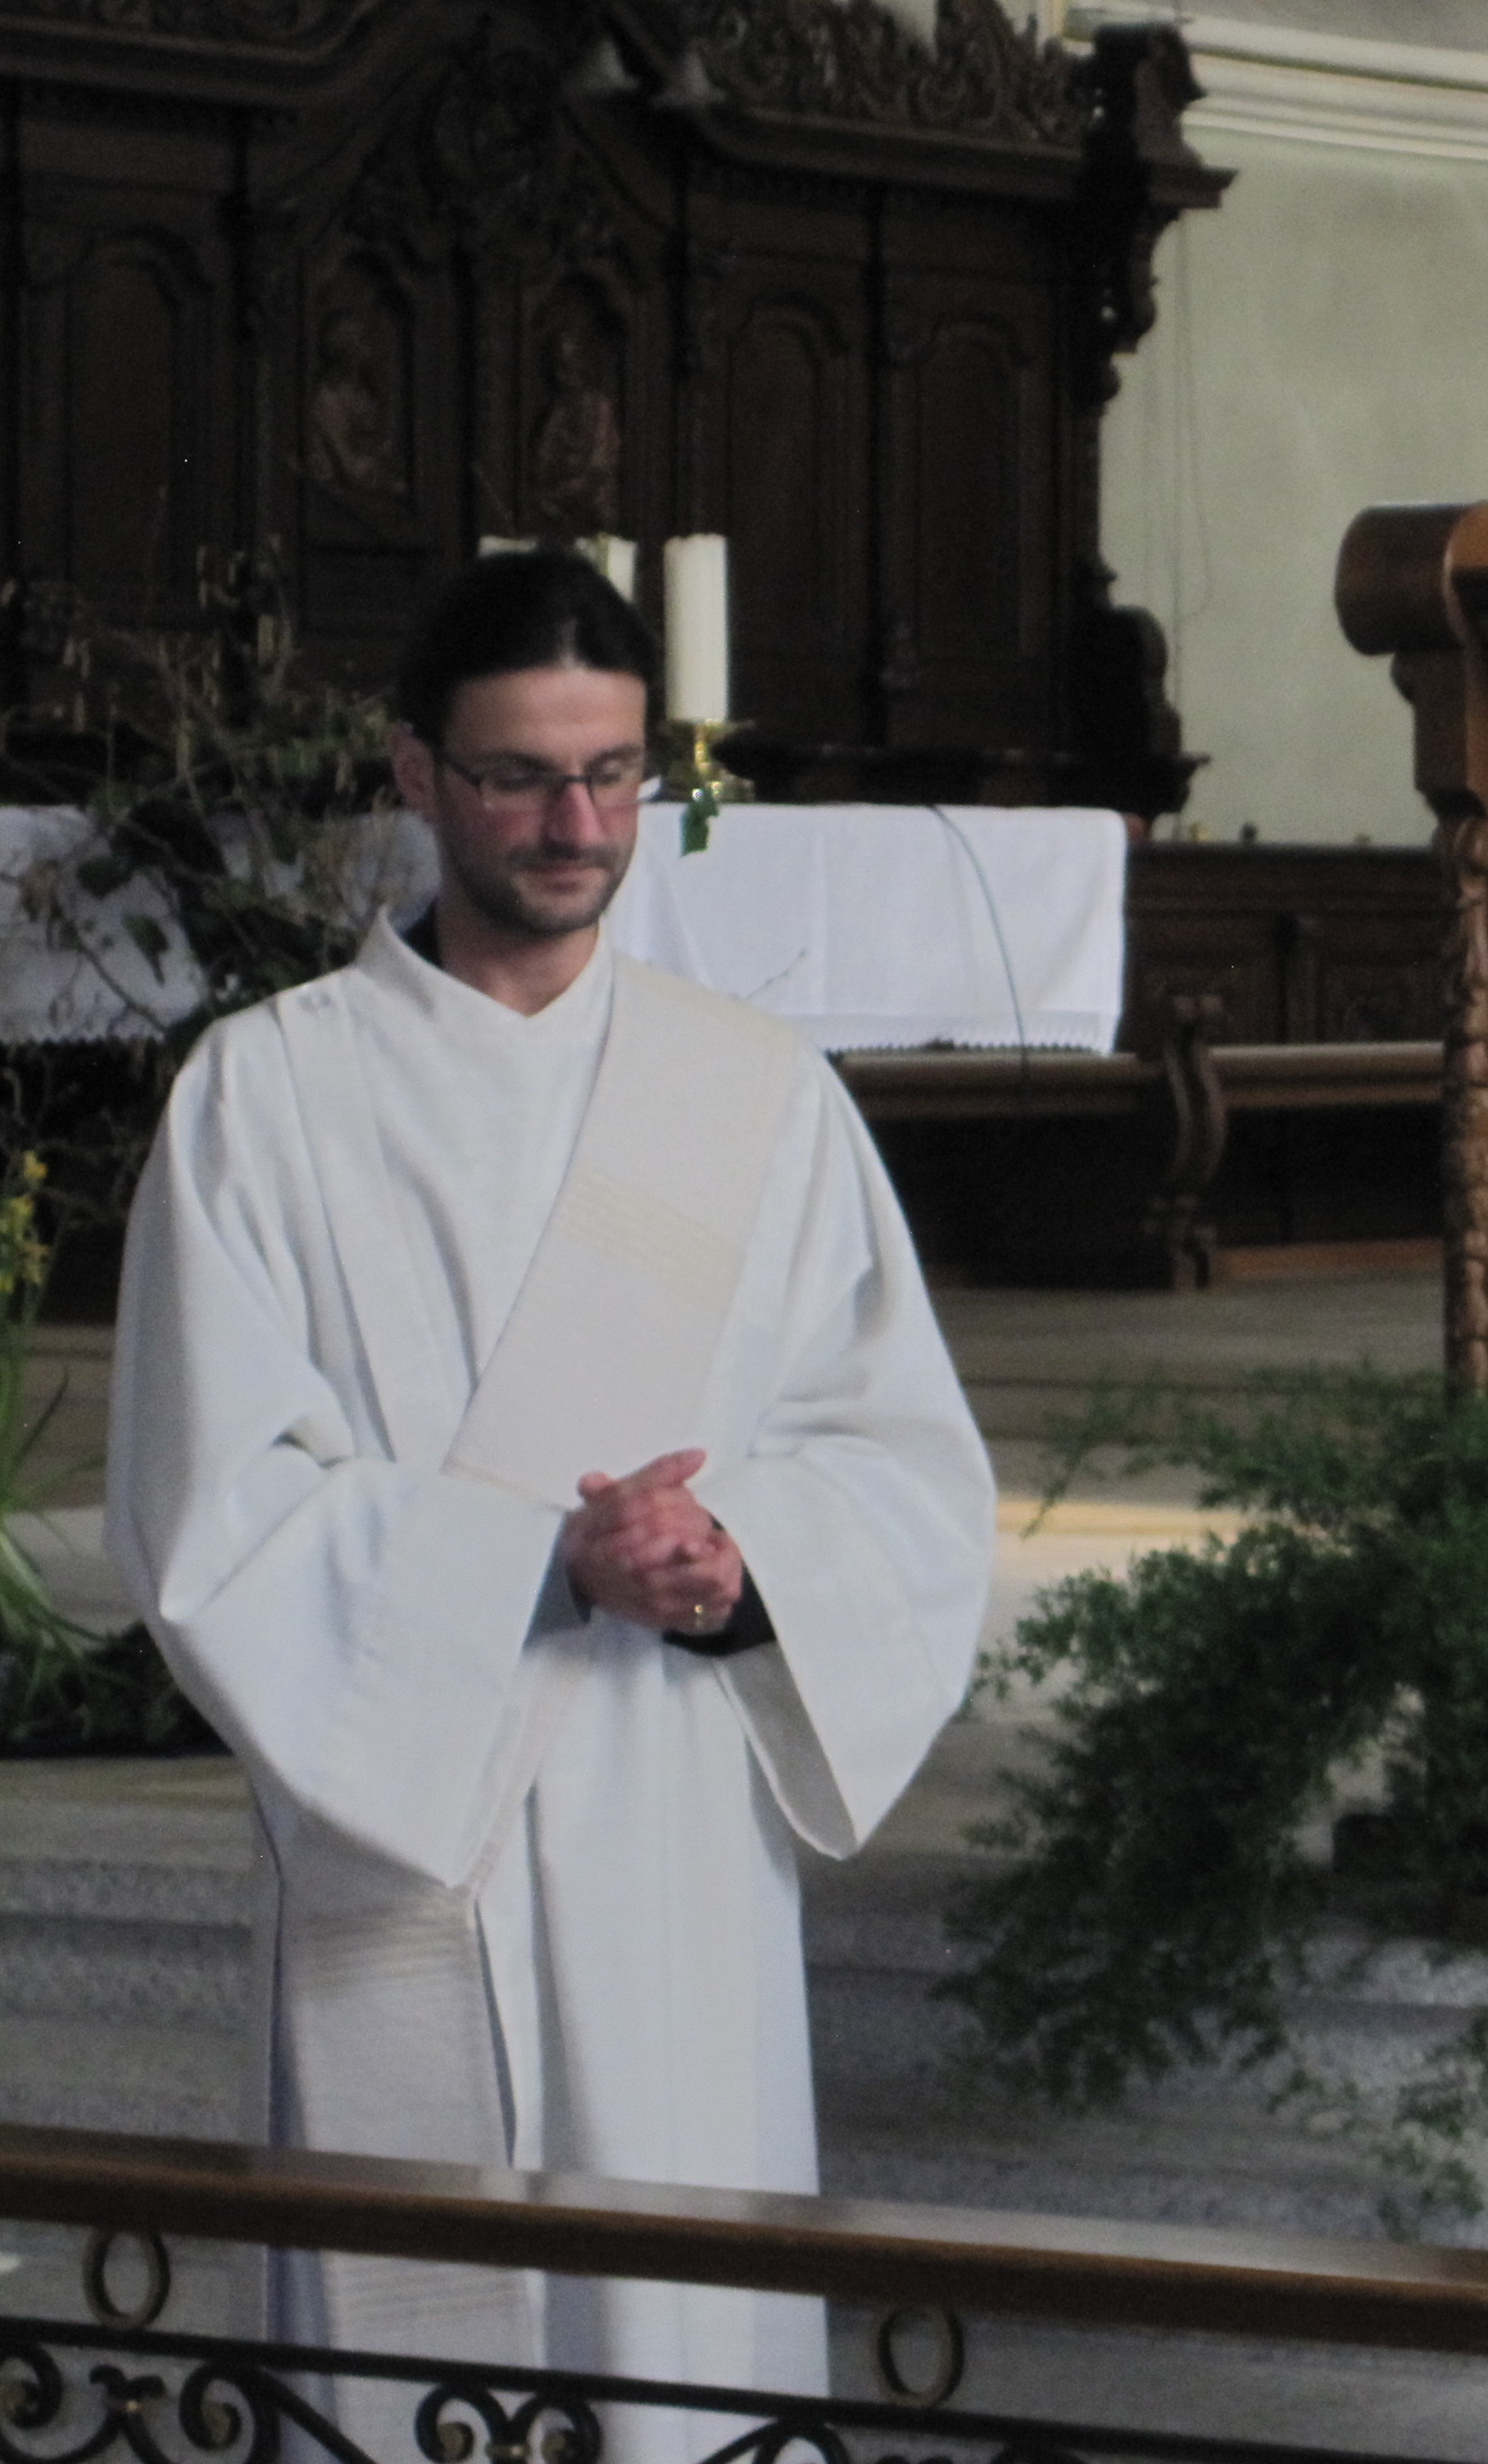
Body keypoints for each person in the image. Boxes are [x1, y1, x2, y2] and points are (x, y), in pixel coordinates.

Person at [106, 551, 994, 2440]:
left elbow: (899, 1461)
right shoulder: (267, 1097)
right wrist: (539, 1562)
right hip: (399, 1830)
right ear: (414, 774)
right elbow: (209, 1514)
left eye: (609, 775)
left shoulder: (756, 1095)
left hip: (675, 1832)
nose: (577, 827)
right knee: (413, 2363)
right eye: (518, 778)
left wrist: (740, 1558)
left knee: (680, 2346)